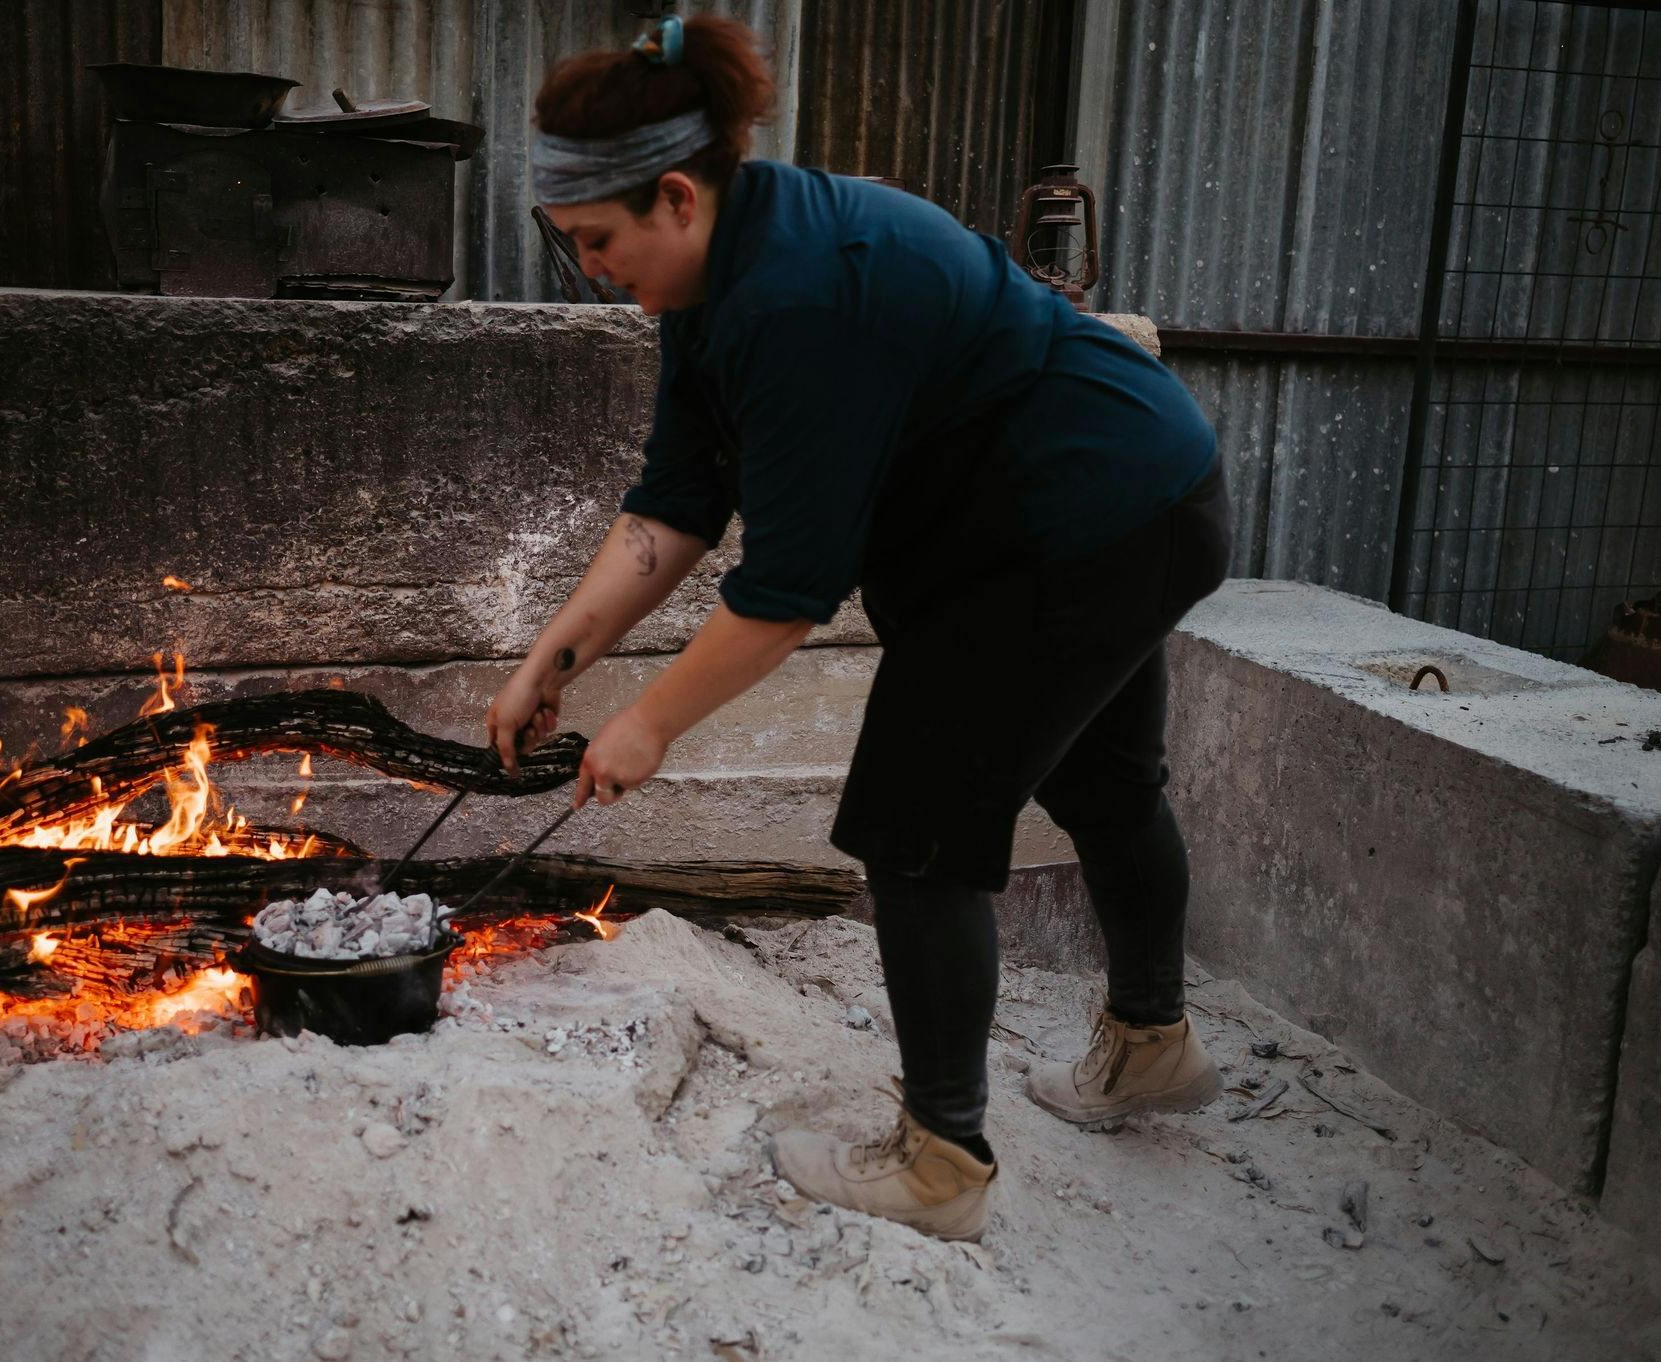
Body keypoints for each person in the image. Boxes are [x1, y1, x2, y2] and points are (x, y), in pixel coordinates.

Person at [485, 15, 1230, 1244]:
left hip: (1075, 524)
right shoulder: (711, 276)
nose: (593, 270)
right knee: (1105, 783)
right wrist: (546, 665)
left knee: (916, 831)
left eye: (599, 242)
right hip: (1140, 488)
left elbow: (784, 592)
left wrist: (644, 727)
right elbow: (671, 508)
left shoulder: (800, 298)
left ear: (675, 194)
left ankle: (940, 1164)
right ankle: (1151, 1046)